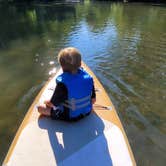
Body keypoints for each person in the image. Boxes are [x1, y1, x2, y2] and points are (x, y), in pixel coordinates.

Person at [37, 47, 96, 121]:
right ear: (80, 64)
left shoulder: (62, 84)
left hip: (69, 117)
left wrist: (46, 102)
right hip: (87, 112)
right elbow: (93, 100)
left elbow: (53, 104)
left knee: (40, 108)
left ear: (62, 66)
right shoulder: (89, 78)